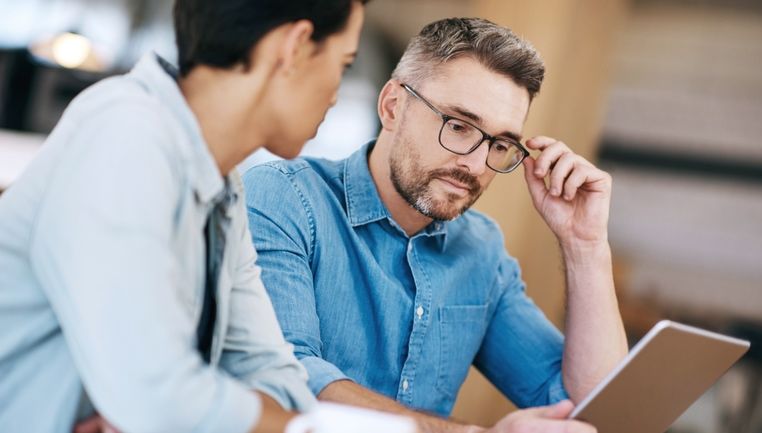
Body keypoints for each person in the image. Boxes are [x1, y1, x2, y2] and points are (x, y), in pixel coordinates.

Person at [242, 17, 628, 433]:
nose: (477, 165)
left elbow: (593, 409)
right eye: (459, 126)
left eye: (499, 144)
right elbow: (288, 377)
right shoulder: (284, 199)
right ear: (393, 106)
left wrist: (584, 246)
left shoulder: (481, 251)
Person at [0, 0, 366, 432]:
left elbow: (279, 379)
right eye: (342, 65)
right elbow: (158, 396)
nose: (335, 94)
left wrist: (183, 413)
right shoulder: (126, 134)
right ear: (296, 46)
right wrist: (175, 411)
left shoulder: (223, 187)